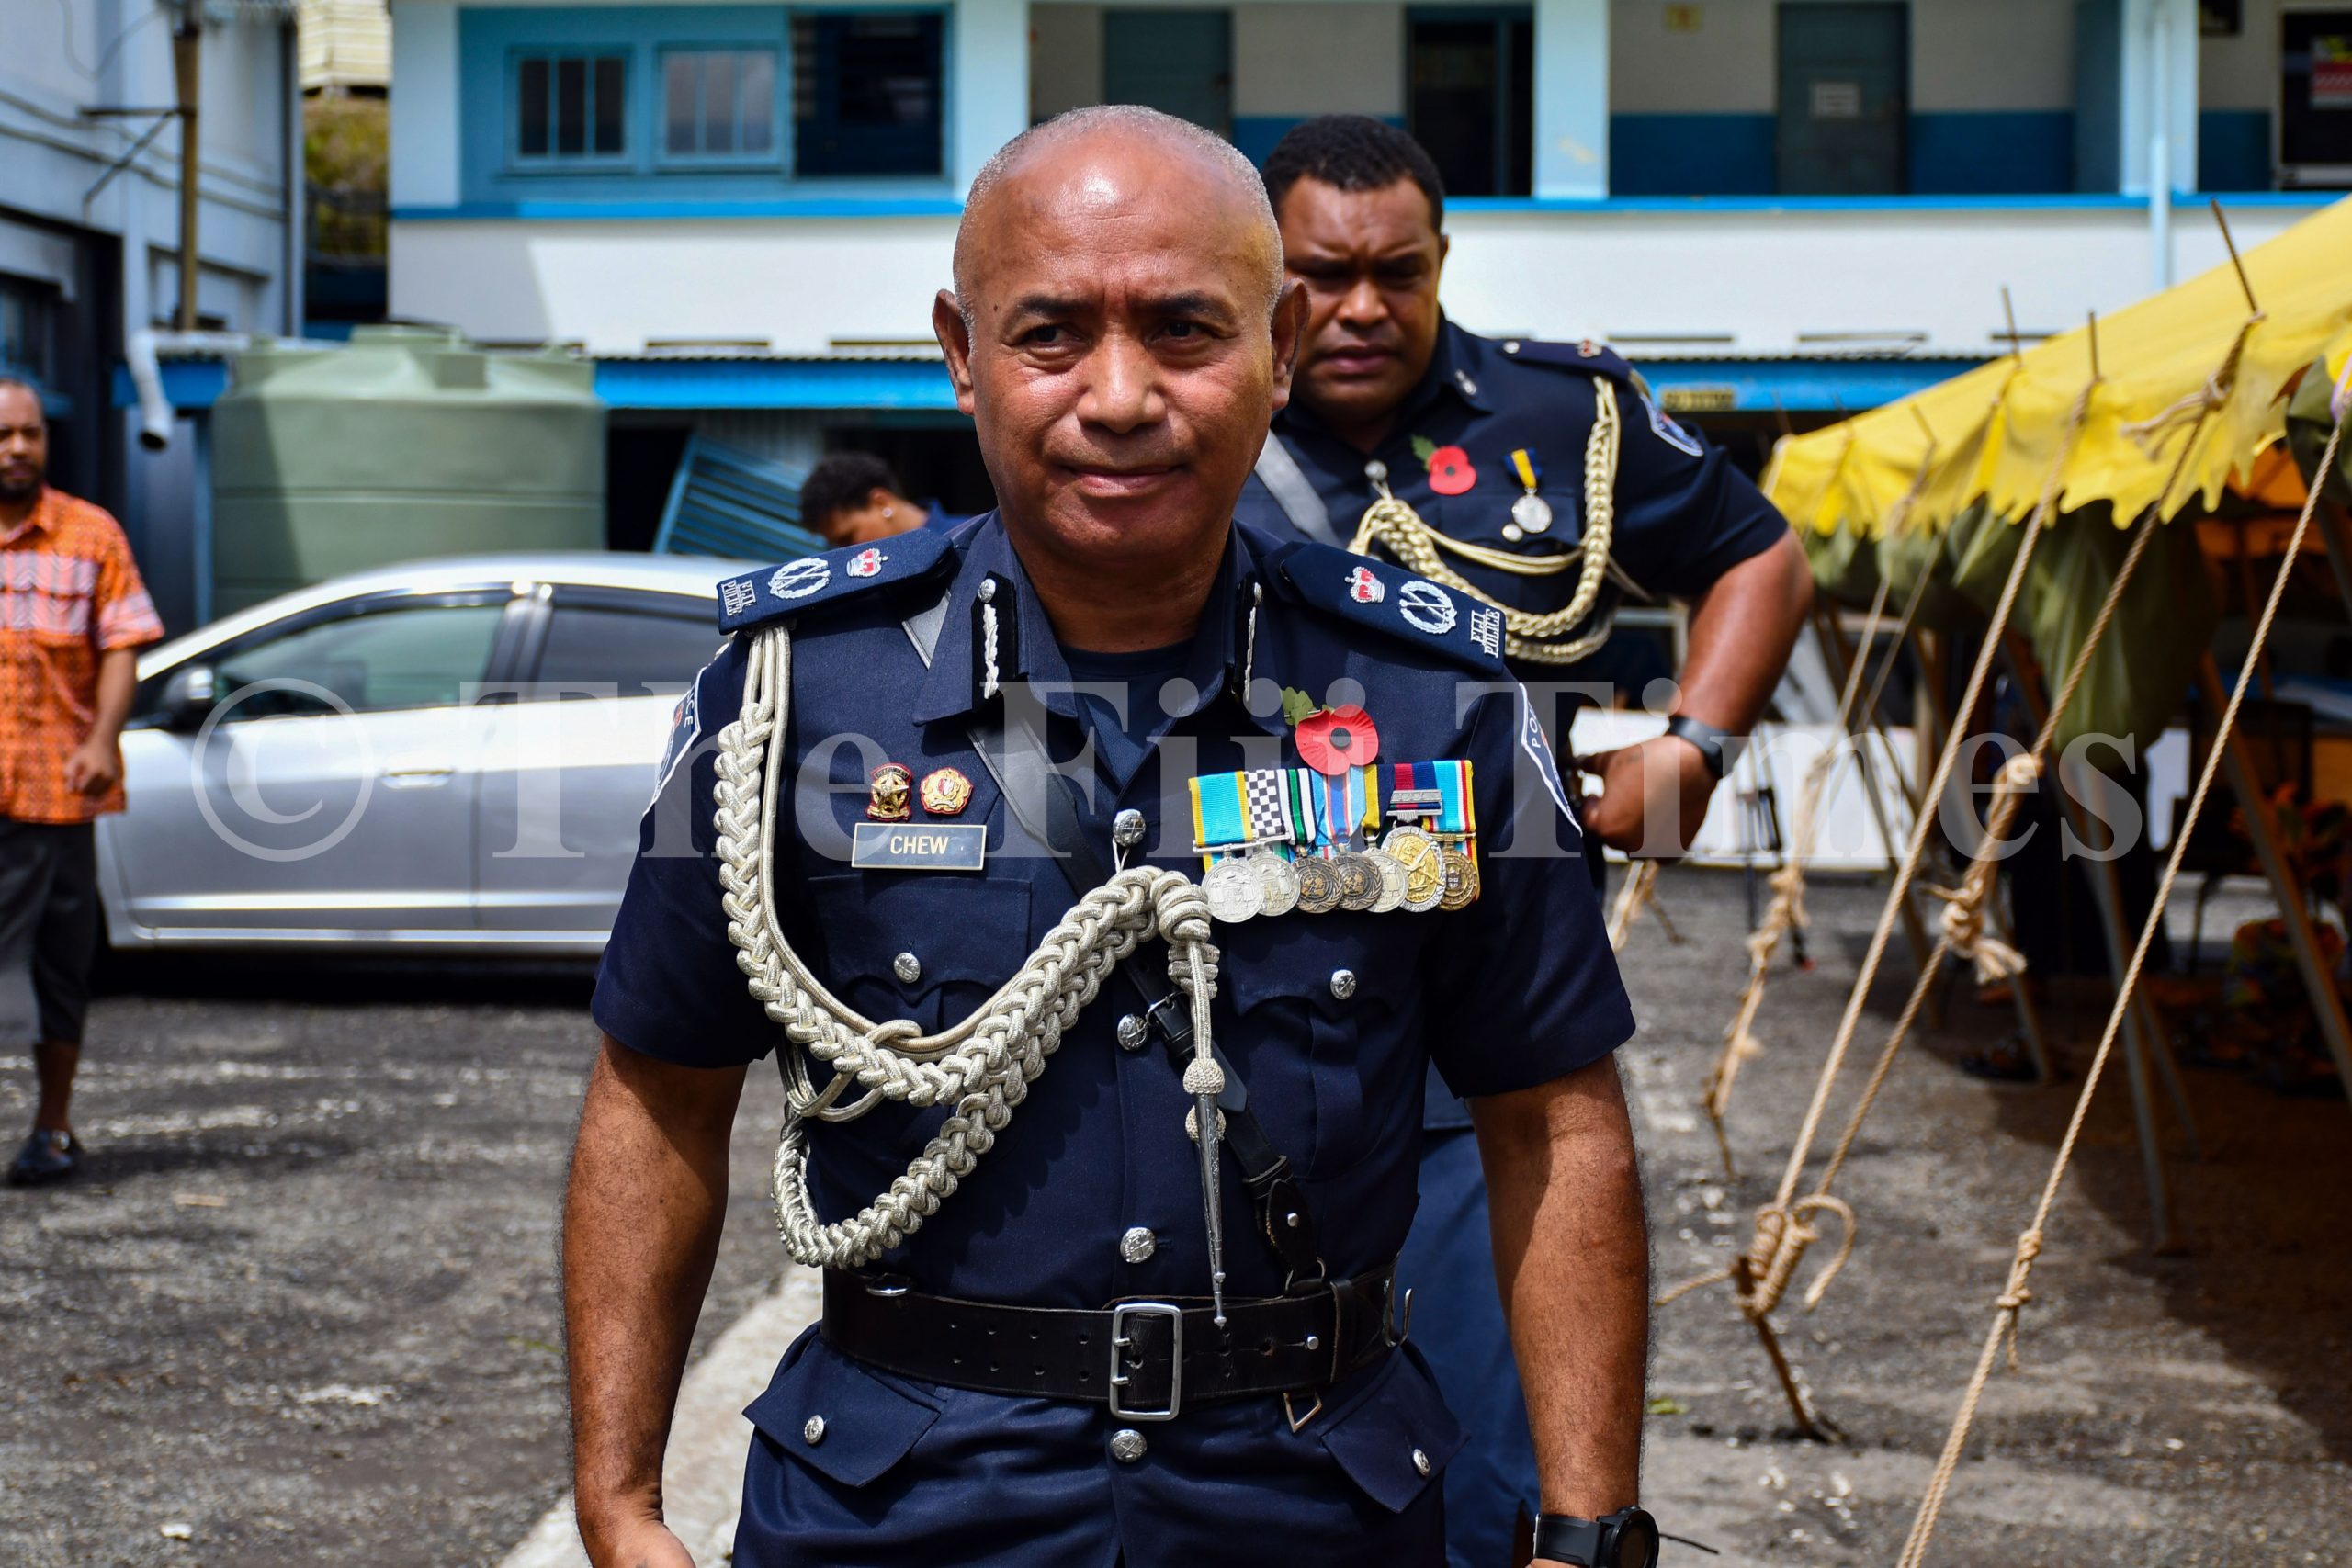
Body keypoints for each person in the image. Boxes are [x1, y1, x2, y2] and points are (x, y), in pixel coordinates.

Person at [564, 107, 1657, 1568]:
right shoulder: (797, 693)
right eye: (1052, 335)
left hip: (1310, 1509)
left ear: (1277, 347)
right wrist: (618, 1499)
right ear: (963, 353)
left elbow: (1553, 1118)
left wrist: (1588, 1524)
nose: (1122, 395)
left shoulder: (1432, 695)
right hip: (901, 1517)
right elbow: (659, 1093)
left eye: (1186, 330)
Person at [1234, 116, 1812, 1567]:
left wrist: (1694, 745)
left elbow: (1760, 553)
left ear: (1442, 260)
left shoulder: (1564, 414)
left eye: (1398, 272)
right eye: (1322, 275)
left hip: (1485, 999)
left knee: (1487, 1444)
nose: (1362, 307)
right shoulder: (1197, 411)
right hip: (1233, 990)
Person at [0, 377, 165, 1187]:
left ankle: (53, 1127)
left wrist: (103, 739)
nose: (17, 448)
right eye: (4, 434)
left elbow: (122, 645)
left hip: (57, 791)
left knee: (58, 967)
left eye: (30, 433)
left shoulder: (90, 533)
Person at [799, 451, 949, 547]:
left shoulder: (960, 545)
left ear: (881, 503)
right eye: (837, 545)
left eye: (847, 539)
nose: (843, 553)